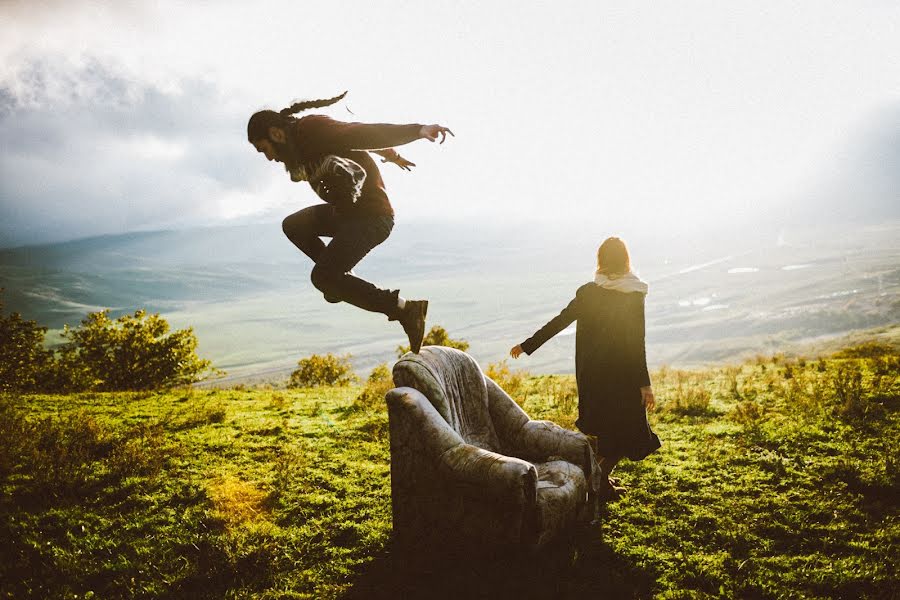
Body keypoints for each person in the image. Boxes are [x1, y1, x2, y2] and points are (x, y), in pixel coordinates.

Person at [247, 92, 453, 353]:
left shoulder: (311, 129)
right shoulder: (298, 148)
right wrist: (392, 156)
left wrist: (418, 130)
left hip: (372, 218)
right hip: (345, 215)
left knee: (322, 277)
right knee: (294, 225)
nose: (269, 158)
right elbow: (353, 142)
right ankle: (340, 281)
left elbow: (360, 133)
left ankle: (406, 309)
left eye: (264, 149)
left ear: (276, 134)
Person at [510, 237, 661, 499]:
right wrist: (644, 383)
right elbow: (637, 341)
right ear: (626, 260)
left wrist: (527, 345)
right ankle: (597, 482)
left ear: (600, 261)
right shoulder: (633, 293)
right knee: (627, 431)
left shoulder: (589, 292)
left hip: (593, 376)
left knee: (607, 431)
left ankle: (599, 482)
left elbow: (560, 321)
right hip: (622, 376)